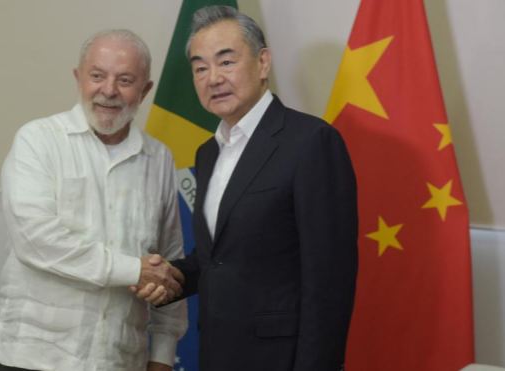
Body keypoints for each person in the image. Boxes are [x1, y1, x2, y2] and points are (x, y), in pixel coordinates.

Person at [135, 6, 358, 371]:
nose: (213, 78)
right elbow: (219, 258)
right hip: (218, 353)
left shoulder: (312, 142)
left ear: (263, 62)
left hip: (282, 359)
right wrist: (170, 277)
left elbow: (329, 281)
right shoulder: (207, 153)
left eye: (226, 62)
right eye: (200, 67)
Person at [0, 29, 187, 371]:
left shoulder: (160, 159)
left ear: (145, 90)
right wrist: (132, 270)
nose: (108, 91)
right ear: (79, 78)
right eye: (97, 76)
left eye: (125, 80)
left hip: (121, 360)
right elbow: (35, 241)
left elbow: (169, 263)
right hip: (34, 359)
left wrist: (163, 353)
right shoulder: (37, 141)